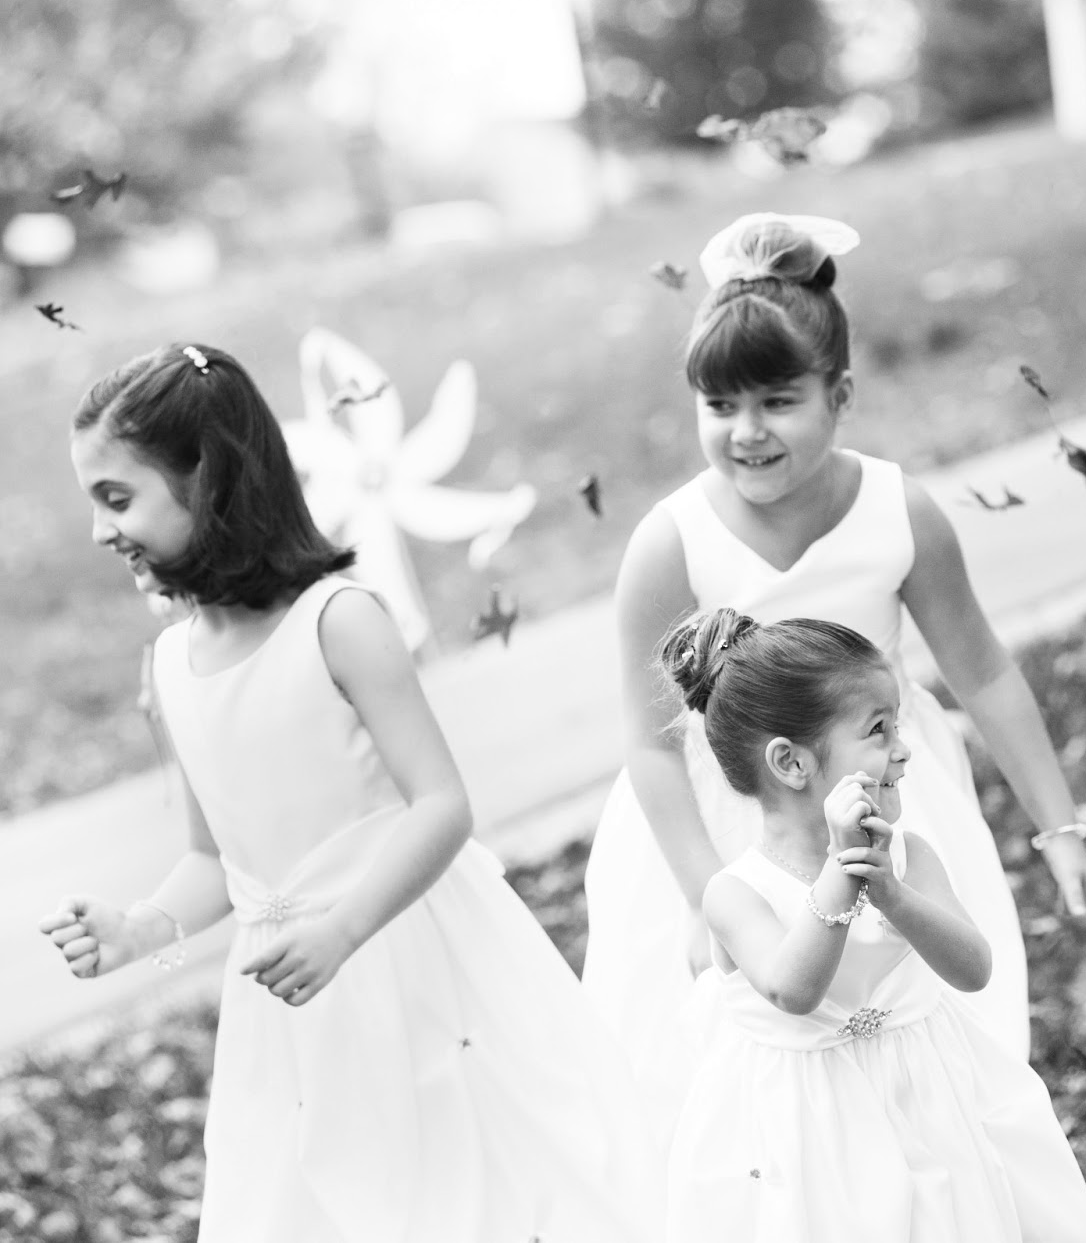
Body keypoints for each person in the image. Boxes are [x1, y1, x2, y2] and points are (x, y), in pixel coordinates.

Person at [39, 343, 664, 1243]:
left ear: (207, 478)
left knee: (453, 1196)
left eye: (117, 497)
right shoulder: (171, 664)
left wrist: (342, 930)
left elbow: (441, 806)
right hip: (292, 1005)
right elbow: (216, 860)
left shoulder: (336, 621)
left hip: (408, 957)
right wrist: (140, 930)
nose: (101, 531)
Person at [582, 212, 1086, 1101]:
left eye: (778, 401)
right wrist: (708, 897)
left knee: (921, 1039)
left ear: (841, 394)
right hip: (724, 818)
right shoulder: (671, 541)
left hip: (885, 792)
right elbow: (649, 742)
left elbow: (983, 673)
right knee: (737, 1072)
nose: (747, 431)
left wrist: (1059, 830)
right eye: (720, 406)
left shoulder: (899, 511)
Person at [659, 607, 1086, 1243]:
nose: (903, 747)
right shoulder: (735, 894)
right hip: (813, 1131)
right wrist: (841, 872)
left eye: (896, 724)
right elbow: (793, 989)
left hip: (927, 1097)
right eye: (878, 730)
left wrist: (892, 895)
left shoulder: (908, 857)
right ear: (791, 763)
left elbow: (974, 970)